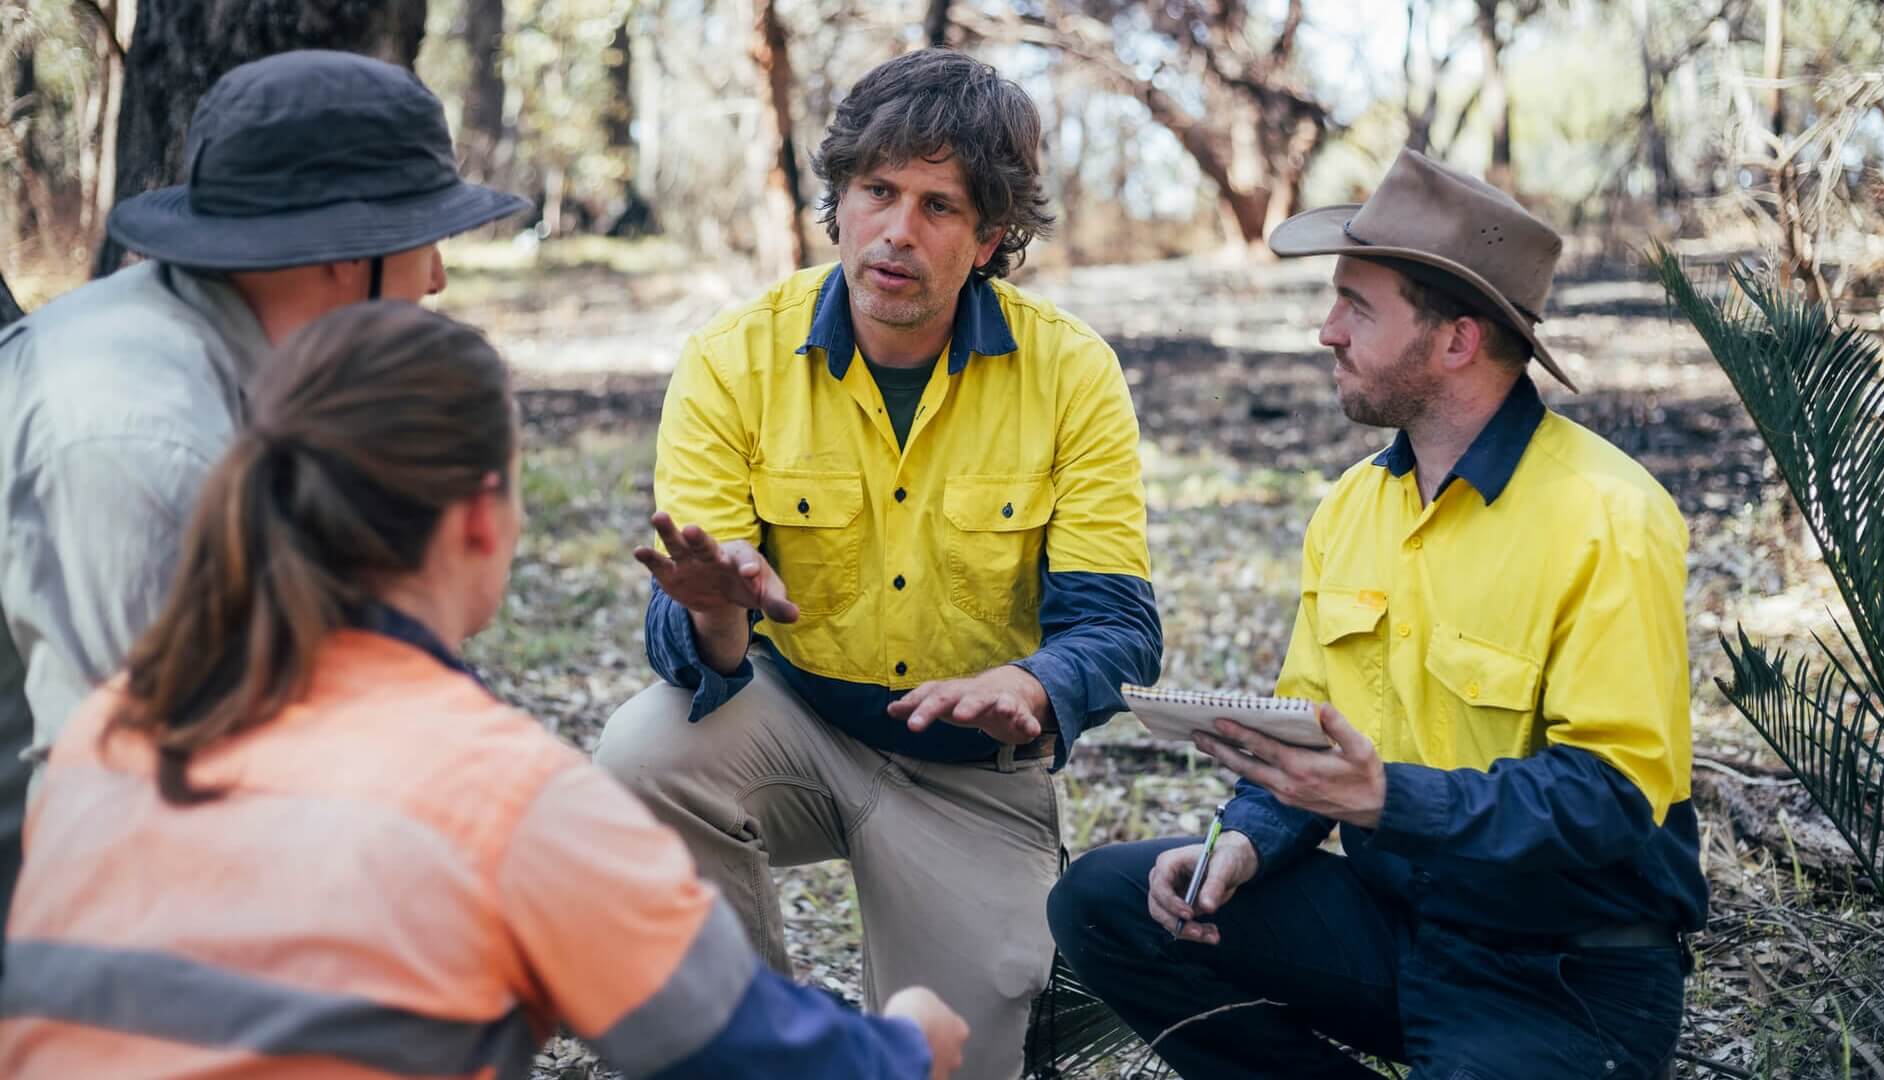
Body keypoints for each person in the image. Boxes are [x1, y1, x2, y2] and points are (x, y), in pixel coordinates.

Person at [0, 302, 969, 1079]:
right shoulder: (503, 797)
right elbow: (755, 1057)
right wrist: (914, 1041)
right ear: (478, 517)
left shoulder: (114, 727)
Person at [1047, 148, 1710, 1079]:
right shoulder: (1352, 508)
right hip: (1397, 924)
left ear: (1456, 341)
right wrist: (1242, 843)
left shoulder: (1611, 516)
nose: (1326, 332)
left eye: (1357, 306)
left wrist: (1389, 798)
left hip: (1564, 970)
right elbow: (1308, 741)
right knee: (1106, 903)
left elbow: (1613, 806)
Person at [593, 49, 1162, 1080]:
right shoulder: (734, 358)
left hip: (975, 777)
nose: (898, 232)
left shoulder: (1072, 374)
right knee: (638, 758)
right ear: (840, 202)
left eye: (940, 205)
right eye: (877, 192)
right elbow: (697, 649)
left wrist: (1033, 686)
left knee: (957, 1061)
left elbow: (1120, 629)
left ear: (992, 237)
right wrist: (721, 610)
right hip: (794, 722)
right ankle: (754, 1047)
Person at [0, 49, 531, 943]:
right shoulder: (139, 440)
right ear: (337, 254)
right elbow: (129, 788)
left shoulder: (247, 361)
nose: (437, 277)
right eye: (422, 239)